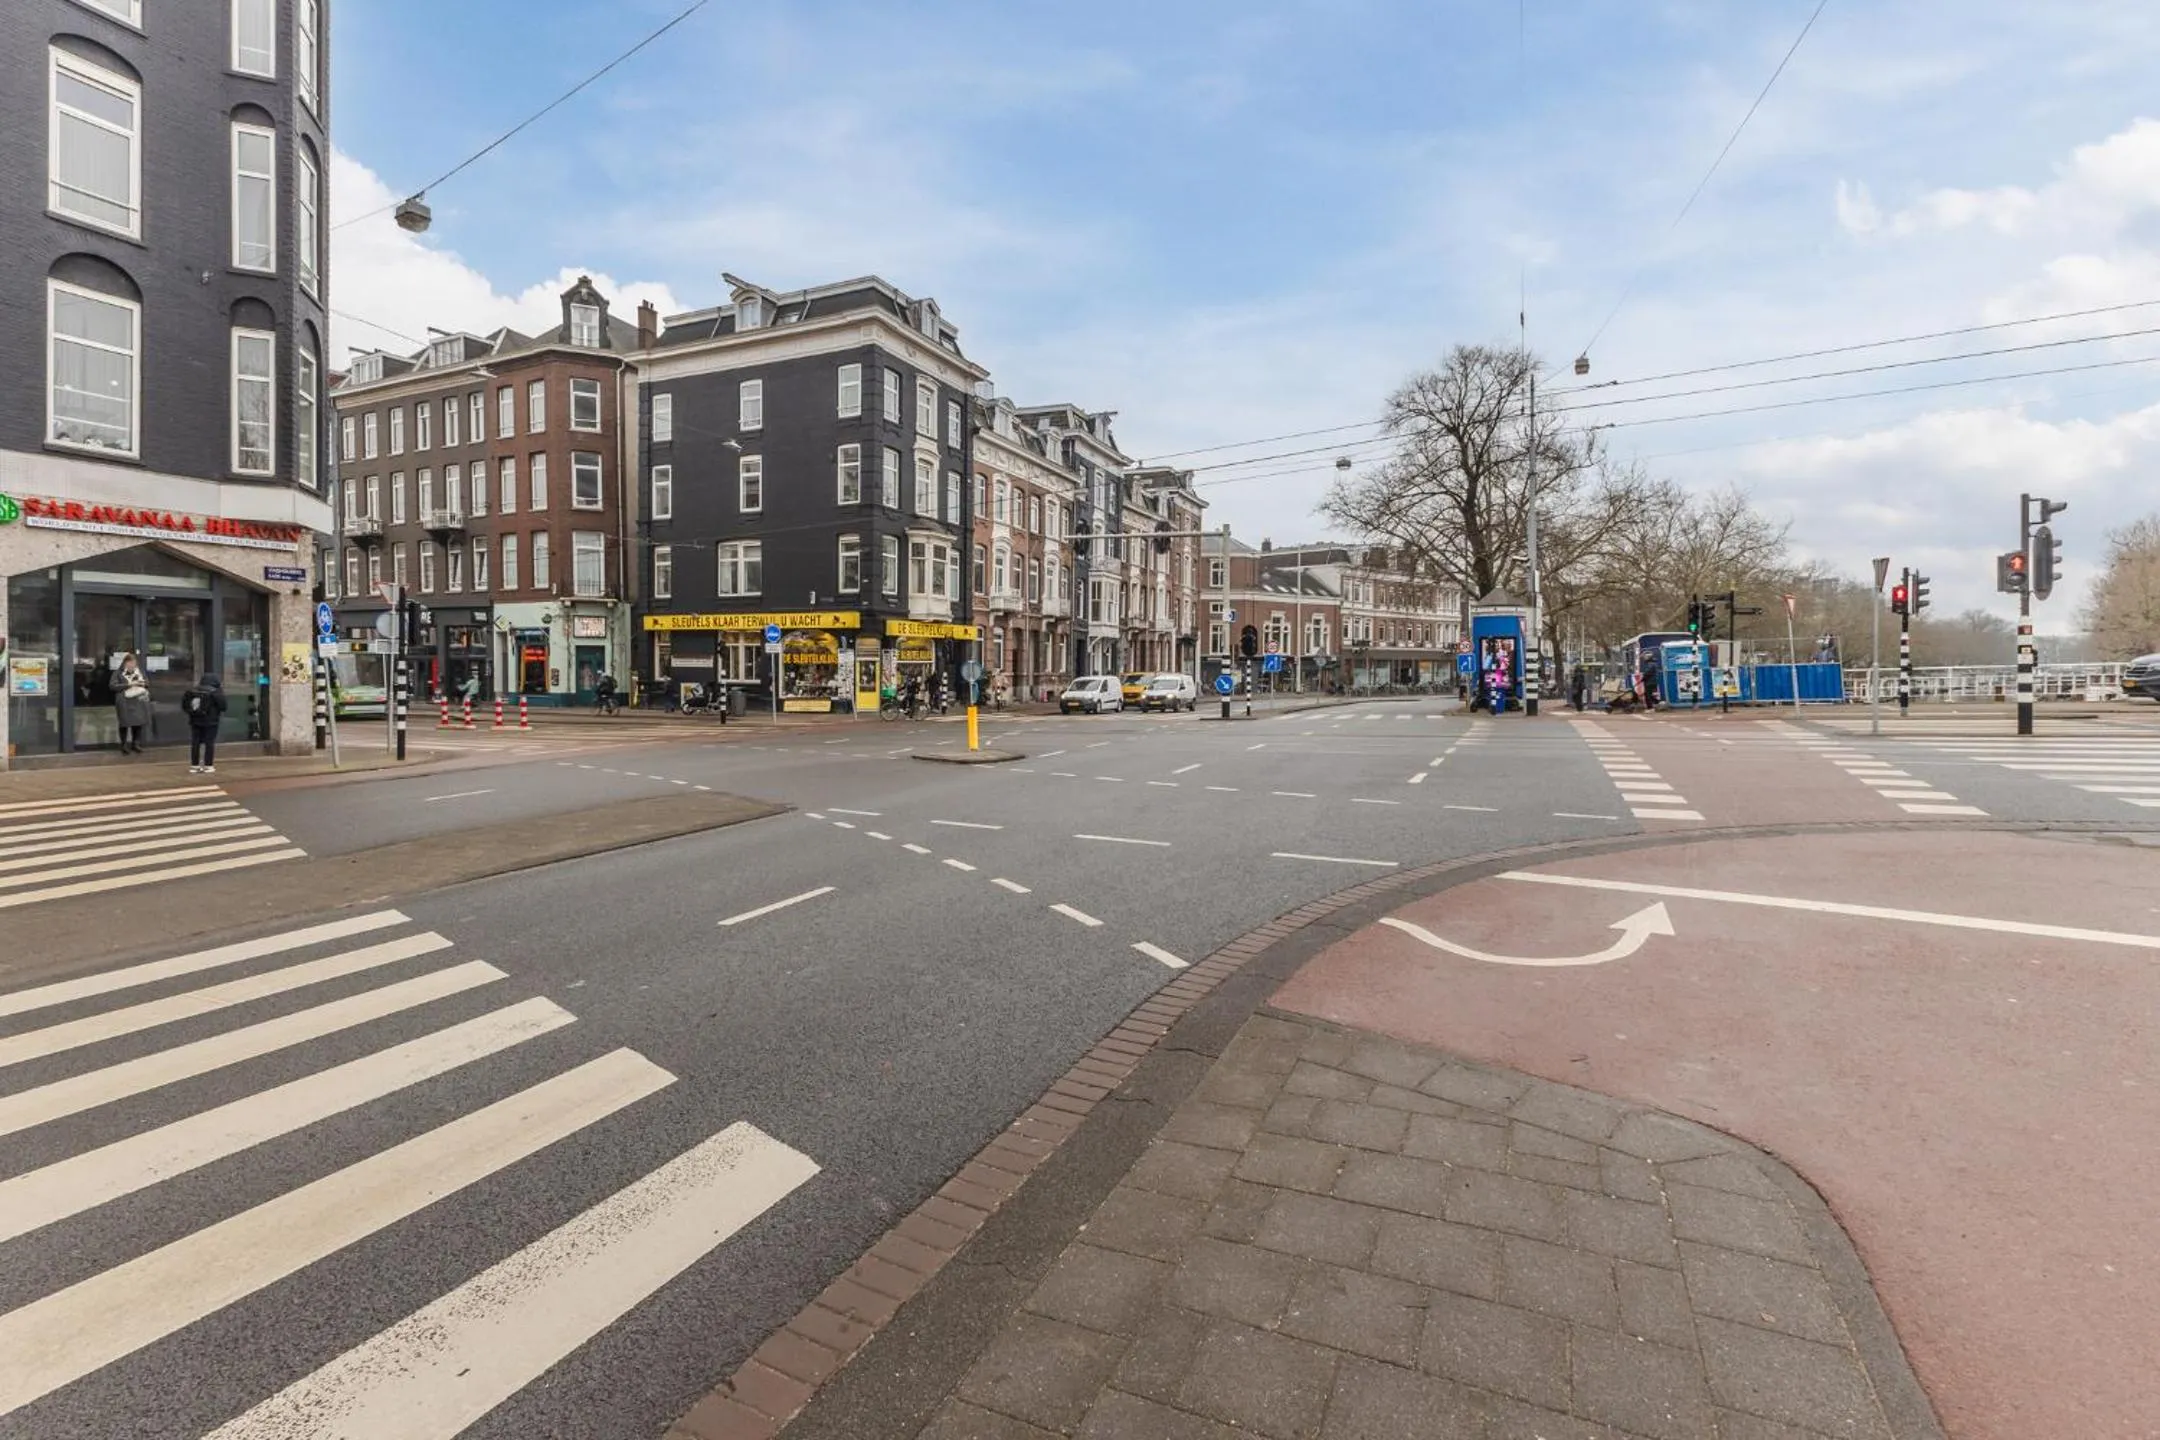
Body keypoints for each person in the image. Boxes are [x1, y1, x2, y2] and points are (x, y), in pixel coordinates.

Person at [181, 673, 226, 773]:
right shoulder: (215, 692)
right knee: (209, 743)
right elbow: (223, 706)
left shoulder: (192, 691)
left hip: (195, 721)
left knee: (195, 743)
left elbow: (184, 705)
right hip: (211, 722)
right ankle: (208, 765)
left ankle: (194, 765)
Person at [112, 653, 152, 753]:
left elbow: (147, 682)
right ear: (125, 663)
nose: (132, 665)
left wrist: (143, 683)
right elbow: (113, 686)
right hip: (124, 701)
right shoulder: (118, 673)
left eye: (134, 663)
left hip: (138, 701)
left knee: (138, 722)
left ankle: (135, 743)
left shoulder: (139, 672)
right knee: (124, 723)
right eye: (130, 663)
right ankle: (124, 745)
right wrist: (129, 684)